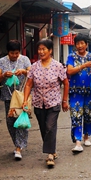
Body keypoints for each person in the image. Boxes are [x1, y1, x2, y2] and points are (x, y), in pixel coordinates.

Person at [22, 38, 69, 168]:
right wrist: (25, 100)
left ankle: (49, 155)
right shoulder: (34, 67)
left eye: (44, 49)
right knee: (44, 128)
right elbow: (28, 84)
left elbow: (65, 83)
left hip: (53, 102)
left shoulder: (57, 66)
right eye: (39, 49)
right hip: (38, 102)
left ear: (50, 51)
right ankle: (52, 150)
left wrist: (65, 100)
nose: (41, 52)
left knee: (50, 126)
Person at [66, 34, 91, 154]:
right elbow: (69, 70)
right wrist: (83, 66)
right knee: (76, 115)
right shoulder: (71, 57)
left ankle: (86, 136)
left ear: (86, 44)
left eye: (82, 43)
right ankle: (77, 142)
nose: (80, 46)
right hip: (75, 91)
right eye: (77, 43)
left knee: (88, 115)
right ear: (75, 45)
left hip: (89, 91)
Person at [0, 40, 32, 160]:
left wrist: (24, 72)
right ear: (8, 52)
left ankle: (18, 147)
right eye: (12, 53)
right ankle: (17, 143)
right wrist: (4, 75)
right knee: (10, 122)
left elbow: (32, 74)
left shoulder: (25, 60)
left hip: (22, 96)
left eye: (16, 53)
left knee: (21, 120)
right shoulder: (2, 61)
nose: (14, 55)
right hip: (8, 97)